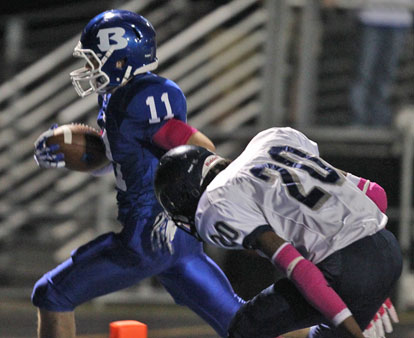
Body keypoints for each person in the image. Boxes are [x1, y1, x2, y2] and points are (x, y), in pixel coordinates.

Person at [31, 9, 245, 338]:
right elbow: (122, 161)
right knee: (246, 323)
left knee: (52, 293)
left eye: (94, 59)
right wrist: (77, 157)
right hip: (180, 239)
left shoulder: (143, 98)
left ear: (120, 59)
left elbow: (199, 148)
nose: (89, 68)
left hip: (147, 238)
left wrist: (212, 188)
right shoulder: (120, 97)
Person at [154, 127, 403, 338]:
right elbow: (377, 196)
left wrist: (350, 320)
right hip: (387, 249)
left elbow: (298, 267)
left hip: (345, 272)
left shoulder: (217, 202)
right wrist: (374, 289)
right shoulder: (270, 141)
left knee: (246, 327)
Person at [348, 0, 413, 126]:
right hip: (371, 16)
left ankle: (377, 120)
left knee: (387, 75)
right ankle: (358, 119)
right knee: (364, 73)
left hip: (399, 18)